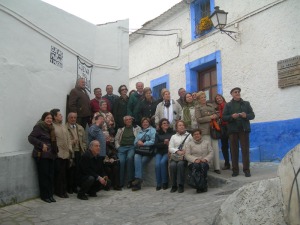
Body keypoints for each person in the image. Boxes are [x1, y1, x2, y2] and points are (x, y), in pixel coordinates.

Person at [223, 87, 255, 177]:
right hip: (233, 131)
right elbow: (224, 117)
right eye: (235, 92)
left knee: (245, 150)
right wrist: (232, 117)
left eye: (238, 92)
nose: (237, 93)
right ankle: (235, 170)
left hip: (244, 130)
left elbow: (252, 115)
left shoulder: (246, 103)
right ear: (232, 94)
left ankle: (246, 170)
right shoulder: (228, 105)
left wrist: (246, 115)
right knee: (234, 151)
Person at [28, 112, 57, 203]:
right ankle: (44, 196)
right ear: (43, 119)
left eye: (51, 118)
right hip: (42, 155)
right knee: (43, 176)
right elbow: (30, 138)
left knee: (50, 176)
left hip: (51, 155)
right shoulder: (39, 127)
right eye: (47, 118)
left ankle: (50, 194)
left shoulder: (51, 128)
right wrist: (41, 144)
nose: (49, 120)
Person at [195, 91, 221, 174]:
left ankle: (217, 167)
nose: (203, 99)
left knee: (215, 148)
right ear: (198, 99)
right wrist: (209, 117)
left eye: (204, 97)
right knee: (207, 149)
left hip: (213, 129)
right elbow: (199, 119)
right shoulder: (197, 107)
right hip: (205, 131)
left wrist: (215, 116)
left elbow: (216, 114)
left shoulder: (210, 105)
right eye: (201, 98)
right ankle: (207, 166)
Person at [99, 100, 121, 190]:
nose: (104, 106)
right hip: (101, 138)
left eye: (105, 105)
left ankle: (116, 185)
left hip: (110, 138)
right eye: (103, 105)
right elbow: (95, 125)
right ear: (100, 106)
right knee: (105, 164)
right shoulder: (97, 114)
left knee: (114, 160)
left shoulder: (110, 114)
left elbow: (114, 124)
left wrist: (112, 125)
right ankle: (107, 184)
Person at [50, 108, 72, 198]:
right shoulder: (52, 127)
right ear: (54, 117)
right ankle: (59, 191)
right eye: (59, 115)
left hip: (66, 154)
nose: (61, 116)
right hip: (58, 154)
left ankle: (64, 190)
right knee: (59, 174)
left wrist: (70, 149)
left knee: (64, 174)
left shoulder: (63, 126)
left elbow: (68, 139)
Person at [115, 116, 141, 188]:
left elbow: (140, 137)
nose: (128, 121)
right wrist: (118, 147)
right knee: (121, 162)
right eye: (126, 120)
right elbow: (116, 139)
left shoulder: (137, 128)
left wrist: (136, 145)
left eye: (130, 119)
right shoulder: (120, 129)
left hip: (132, 147)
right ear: (124, 122)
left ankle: (130, 181)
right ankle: (120, 182)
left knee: (129, 158)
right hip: (122, 148)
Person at [131, 117, 156, 191]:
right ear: (141, 124)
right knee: (136, 157)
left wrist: (143, 143)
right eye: (143, 122)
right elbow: (135, 142)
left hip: (148, 151)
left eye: (146, 122)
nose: (145, 123)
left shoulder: (152, 130)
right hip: (140, 151)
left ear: (149, 123)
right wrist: (138, 143)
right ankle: (138, 180)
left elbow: (153, 141)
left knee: (141, 162)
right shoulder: (140, 131)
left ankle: (137, 180)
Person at [185, 129, 213, 193]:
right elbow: (187, 155)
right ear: (192, 136)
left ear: (200, 135)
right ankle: (199, 186)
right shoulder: (189, 144)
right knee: (197, 166)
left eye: (198, 134)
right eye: (195, 134)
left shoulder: (207, 142)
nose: (196, 135)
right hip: (193, 162)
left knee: (203, 166)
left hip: (204, 161)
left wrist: (206, 159)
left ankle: (203, 185)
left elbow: (211, 152)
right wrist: (195, 159)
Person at [65, 112, 87, 194]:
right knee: (70, 170)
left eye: (75, 117)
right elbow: (64, 141)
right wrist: (71, 142)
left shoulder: (80, 127)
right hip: (70, 152)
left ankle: (75, 186)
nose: (73, 119)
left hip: (79, 151)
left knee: (78, 170)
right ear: (68, 118)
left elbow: (84, 140)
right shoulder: (65, 128)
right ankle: (69, 187)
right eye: (71, 117)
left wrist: (84, 148)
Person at [169, 120, 192, 193]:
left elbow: (192, 145)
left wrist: (185, 151)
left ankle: (180, 185)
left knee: (180, 164)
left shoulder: (189, 136)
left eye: (183, 125)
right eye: (179, 125)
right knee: (172, 165)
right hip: (176, 156)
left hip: (184, 157)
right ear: (176, 128)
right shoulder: (173, 136)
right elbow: (170, 148)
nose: (181, 127)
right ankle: (174, 185)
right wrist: (177, 151)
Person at [154, 118, 175, 190]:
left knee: (163, 163)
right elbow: (156, 144)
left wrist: (169, 143)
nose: (166, 124)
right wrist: (163, 143)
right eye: (164, 123)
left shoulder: (172, 133)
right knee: (157, 165)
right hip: (159, 152)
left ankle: (164, 182)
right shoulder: (158, 134)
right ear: (161, 125)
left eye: (167, 123)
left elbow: (174, 143)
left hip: (167, 151)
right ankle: (158, 183)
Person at [215, 94, 231, 170]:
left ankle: (234, 163)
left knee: (232, 146)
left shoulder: (228, 105)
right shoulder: (217, 108)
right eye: (217, 99)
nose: (218, 99)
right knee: (224, 147)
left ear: (222, 98)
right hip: (222, 128)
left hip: (229, 127)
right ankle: (227, 163)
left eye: (219, 98)